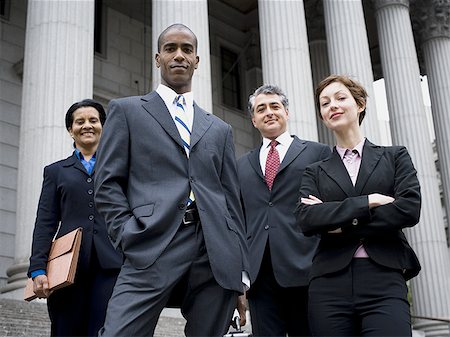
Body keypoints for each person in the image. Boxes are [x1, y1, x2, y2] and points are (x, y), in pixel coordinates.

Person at [94, 23, 249, 337]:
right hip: (151, 242)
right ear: (157, 58)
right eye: (170, 48)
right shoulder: (126, 111)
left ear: (196, 60)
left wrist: (239, 269)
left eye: (187, 50)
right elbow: (107, 183)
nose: (179, 55)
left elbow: (232, 199)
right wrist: (127, 233)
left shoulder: (219, 129)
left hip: (215, 250)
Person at [295, 75, 421, 336]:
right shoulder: (314, 172)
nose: (333, 106)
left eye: (341, 98)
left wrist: (337, 222)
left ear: (360, 104)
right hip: (328, 283)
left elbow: (408, 209)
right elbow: (307, 220)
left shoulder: (395, 156)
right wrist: (369, 201)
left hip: (384, 277)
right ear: (321, 116)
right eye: (325, 103)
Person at [237, 84, 331, 336]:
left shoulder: (318, 152)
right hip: (259, 276)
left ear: (286, 112)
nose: (269, 112)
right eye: (261, 109)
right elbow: (238, 220)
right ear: (254, 119)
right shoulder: (241, 165)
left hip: (307, 268)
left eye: (275, 106)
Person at [28, 99, 123, 337]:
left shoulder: (121, 169)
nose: (87, 125)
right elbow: (45, 222)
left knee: (106, 331)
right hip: (66, 267)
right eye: (79, 122)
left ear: (104, 126)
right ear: (71, 130)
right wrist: (38, 268)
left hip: (111, 266)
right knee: (65, 329)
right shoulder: (55, 171)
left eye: (93, 120)